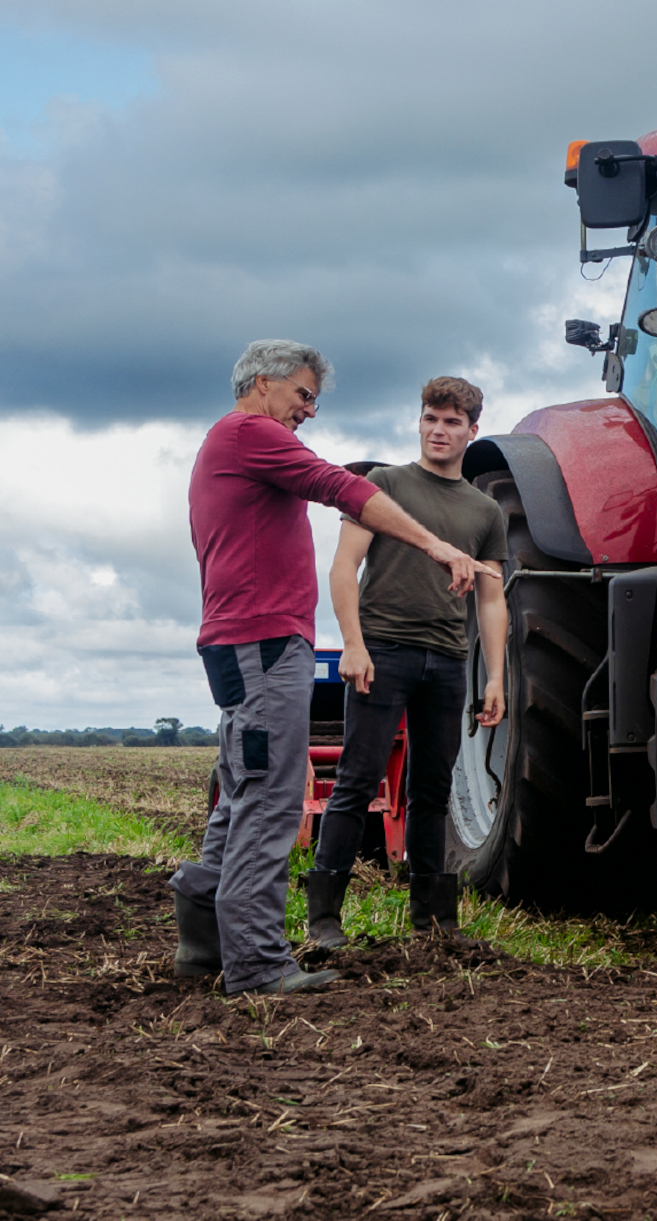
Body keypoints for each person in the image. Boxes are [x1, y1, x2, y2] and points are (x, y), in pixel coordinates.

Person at [173, 340, 496, 996]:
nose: (309, 411)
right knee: (269, 796)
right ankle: (257, 963)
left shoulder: (230, 443)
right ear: (262, 383)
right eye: (303, 395)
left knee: (239, 792)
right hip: (263, 645)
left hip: (243, 642)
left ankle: (204, 946)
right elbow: (338, 486)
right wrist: (434, 543)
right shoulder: (249, 433)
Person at [304, 377, 507, 947]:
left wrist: (495, 677)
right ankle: (324, 921)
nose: (438, 430)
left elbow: (493, 598)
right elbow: (344, 568)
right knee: (356, 780)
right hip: (383, 651)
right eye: (430, 419)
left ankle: (435, 923)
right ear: (419, 423)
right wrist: (353, 644)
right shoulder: (384, 485)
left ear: (472, 431)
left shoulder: (485, 510)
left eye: (451, 422)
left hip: (446, 659)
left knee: (433, 789)